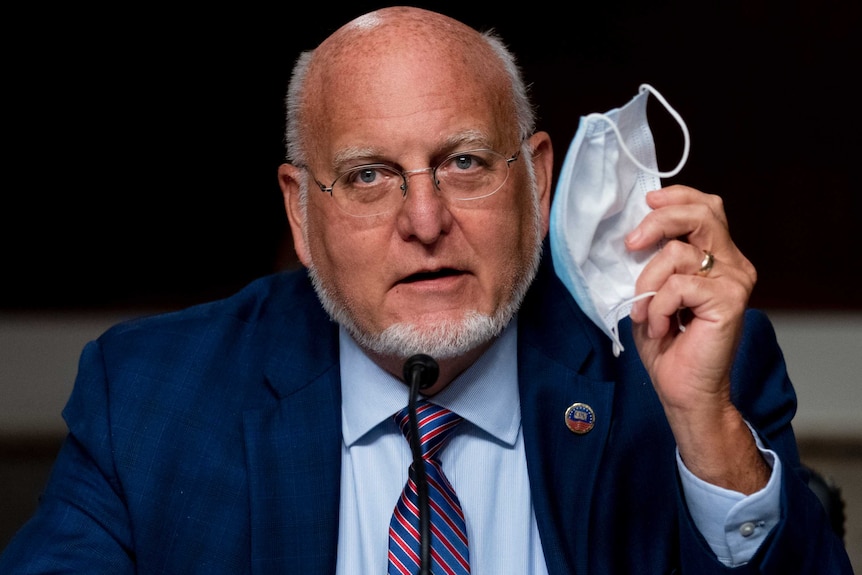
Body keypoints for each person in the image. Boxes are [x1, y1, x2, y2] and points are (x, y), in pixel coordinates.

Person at [0, 6, 853, 574]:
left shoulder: (677, 367)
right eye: (370, 176)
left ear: (538, 178)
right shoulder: (150, 397)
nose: (424, 217)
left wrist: (709, 435)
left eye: (466, 163)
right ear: (301, 213)